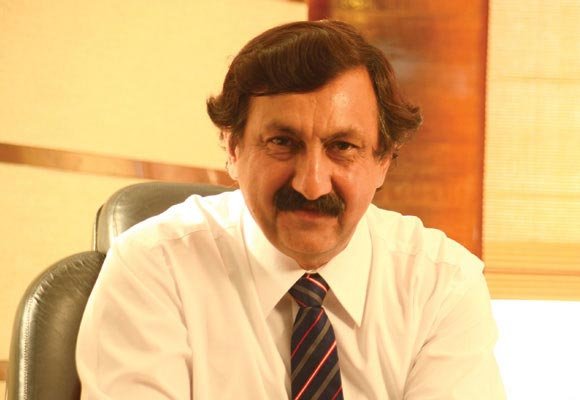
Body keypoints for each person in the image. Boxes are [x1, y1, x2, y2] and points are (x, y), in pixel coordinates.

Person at [76, 20, 505, 399]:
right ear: (233, 148)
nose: (311, 184)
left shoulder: (441, 284)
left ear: (382, 162)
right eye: (282, 142)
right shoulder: (154, 268)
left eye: (342, 147)